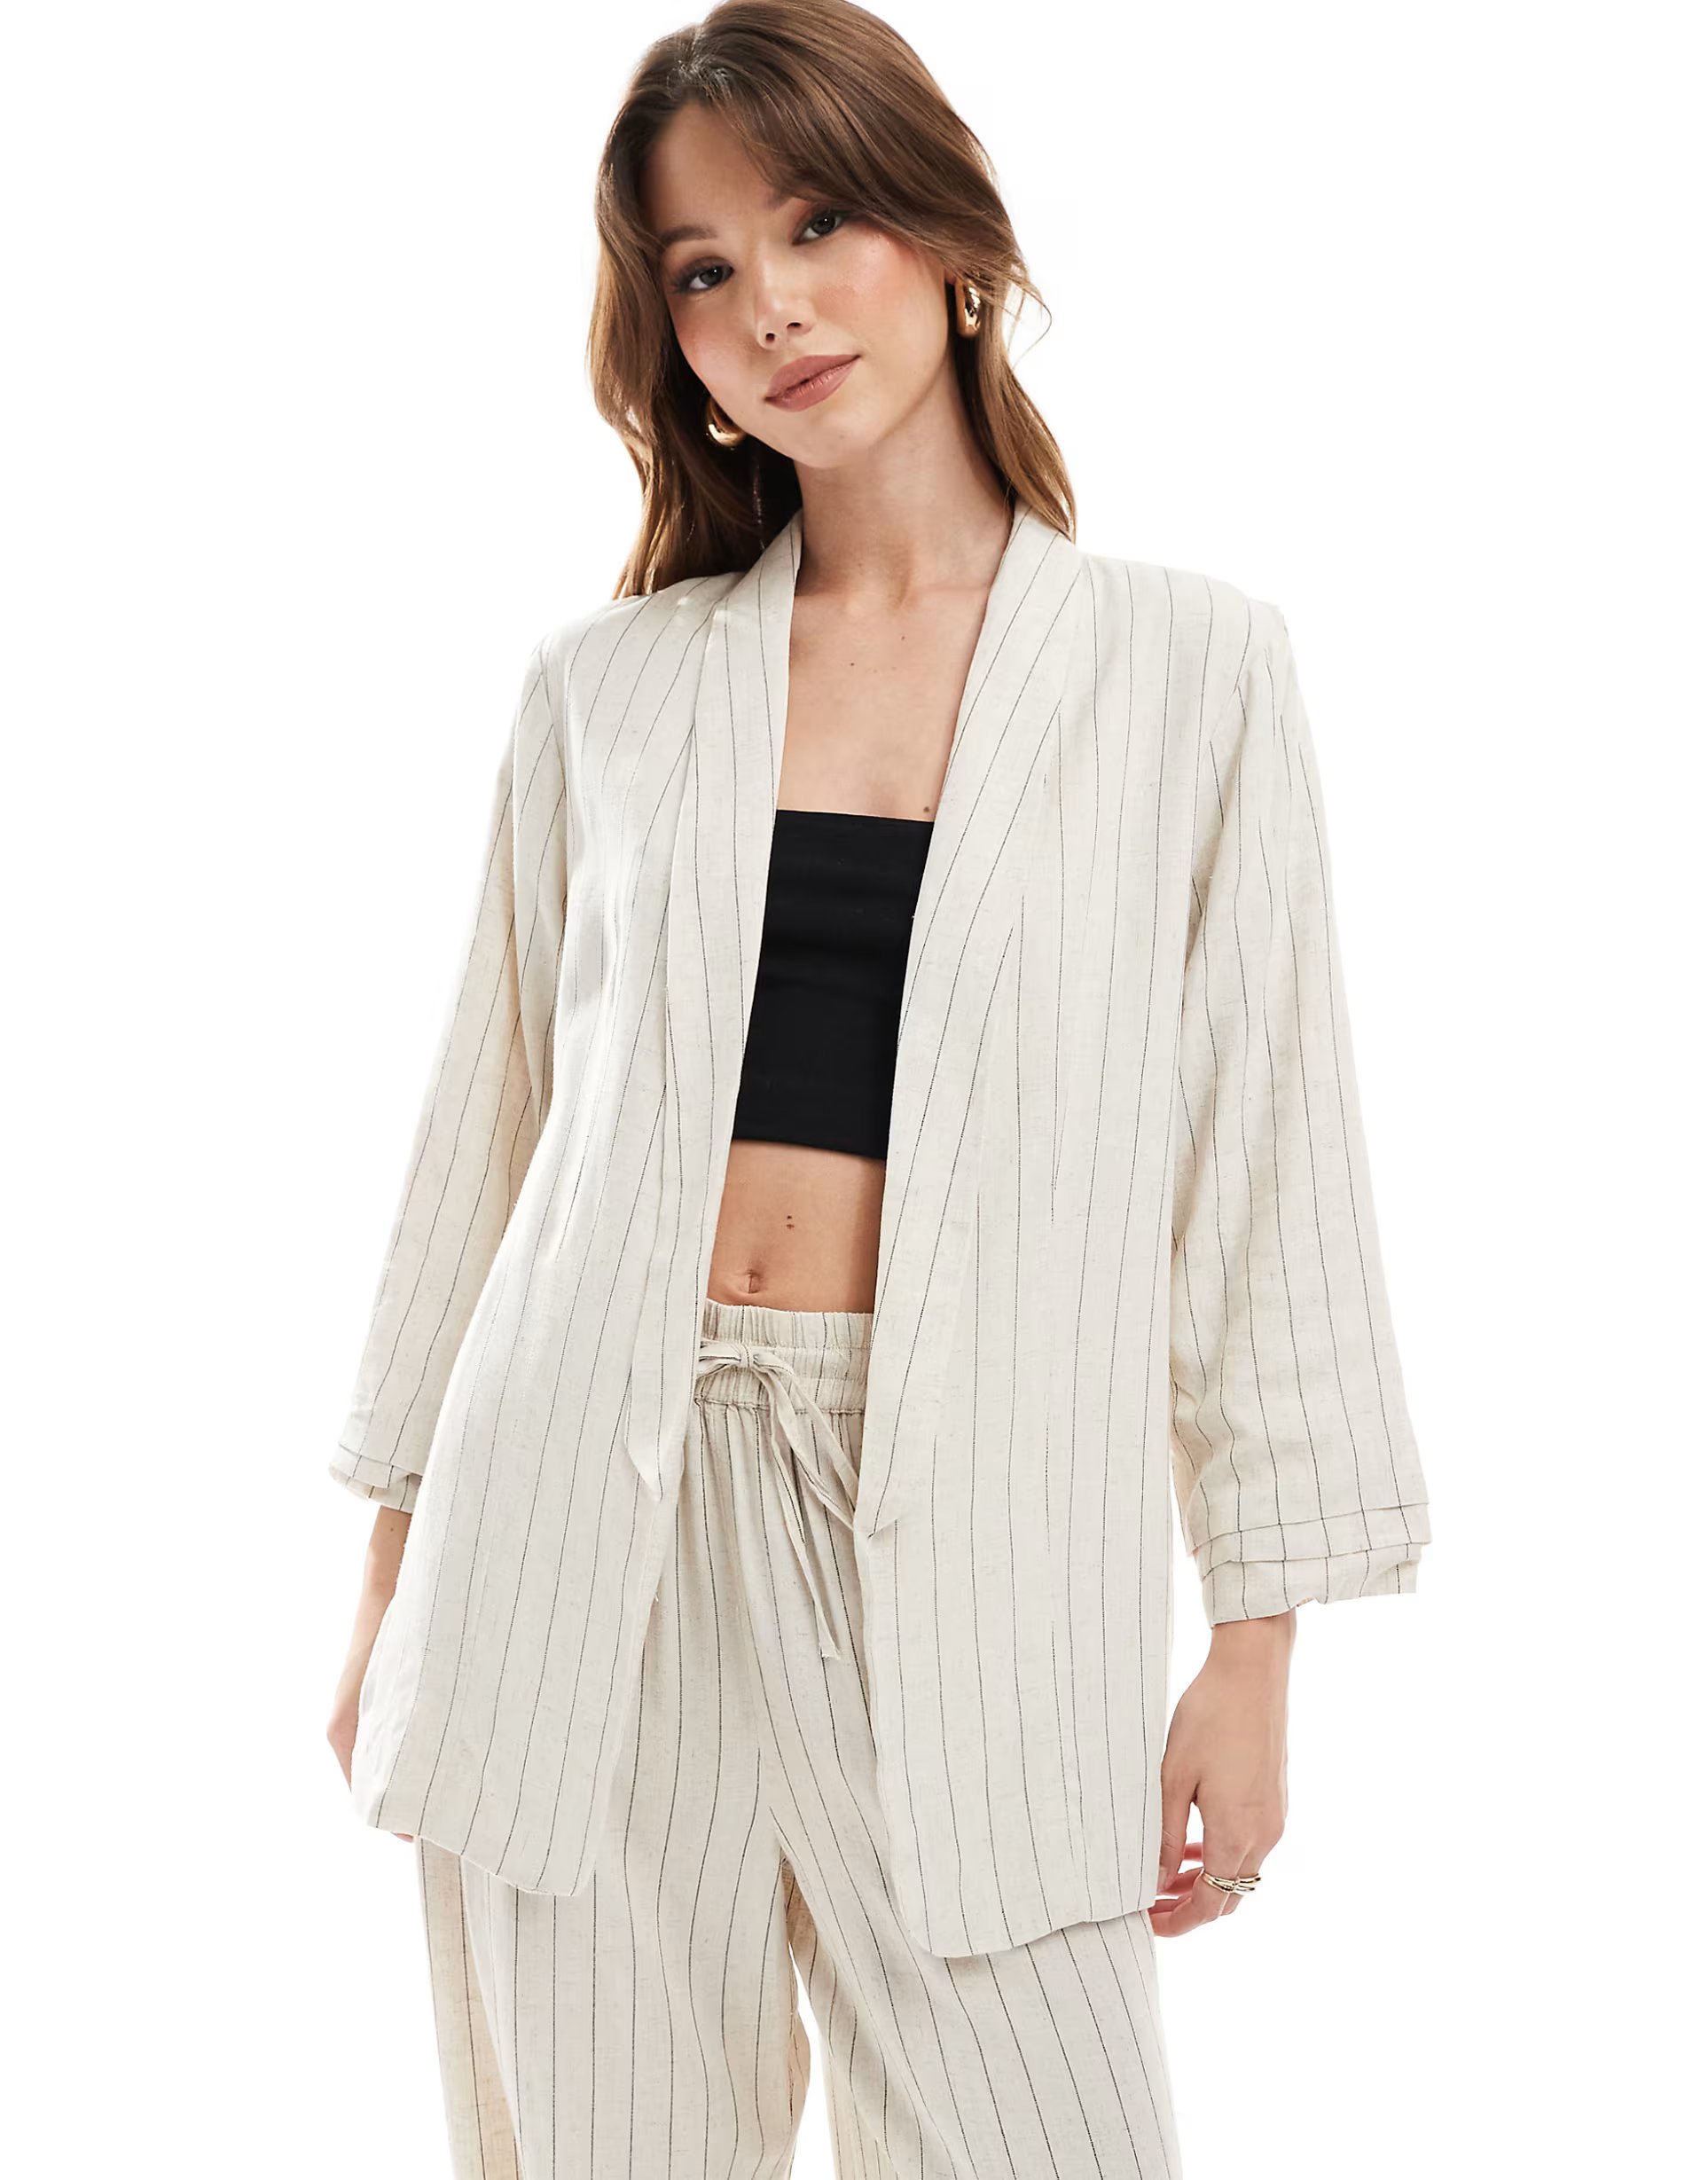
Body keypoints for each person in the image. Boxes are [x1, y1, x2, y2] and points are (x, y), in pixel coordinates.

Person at [325, 4, 1432, 2174]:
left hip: (981, 1533)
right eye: (705, 268)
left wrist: (1257, 1642)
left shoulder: (1189, 671)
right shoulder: (608, 690)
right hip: (577, 1534)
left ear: (952, 238)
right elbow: (489, 1137)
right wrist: (390, 1586)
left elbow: (1266, 1158)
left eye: (818, 220)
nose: (771, 305)